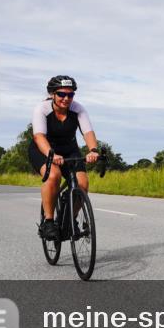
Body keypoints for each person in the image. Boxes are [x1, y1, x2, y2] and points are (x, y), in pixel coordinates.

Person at [30, 76, 100, 240]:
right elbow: (39, 136)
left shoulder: (78, 109)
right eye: (61, 94)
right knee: (53, 176)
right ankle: (48, 222)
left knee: (82, 184)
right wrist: (51, 154)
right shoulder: (42, 109)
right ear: (52, 94)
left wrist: (93, 150)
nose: (66, 98)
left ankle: (70, 219)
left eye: (70, 95)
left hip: (69, 150)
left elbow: (88, 132)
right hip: (43, 149)